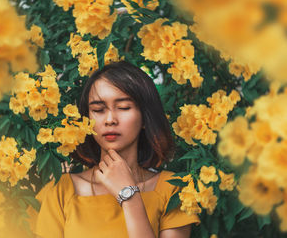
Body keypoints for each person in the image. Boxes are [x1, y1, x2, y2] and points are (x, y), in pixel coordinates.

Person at [28, 61, 199, 238]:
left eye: (124, 107)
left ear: (145, 117)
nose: (110, 119)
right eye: (98, 109)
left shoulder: (172, 189)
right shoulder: (61, 191)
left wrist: (130, 197)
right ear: (87, 119)